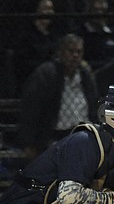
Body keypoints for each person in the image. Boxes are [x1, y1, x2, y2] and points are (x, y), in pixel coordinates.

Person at [18, 33, 99, 161]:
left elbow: (94, 105)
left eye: (79, 52)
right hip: (56, 135)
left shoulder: (85, 75)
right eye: (71, 51)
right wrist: (29, 142)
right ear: (60, 53)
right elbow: (31, 108)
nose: (75, 56)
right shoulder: (47, 74)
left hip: (84, 133)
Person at [10, 0, 61, 94]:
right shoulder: (27, 36)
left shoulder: (54, 36)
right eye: (46, 9)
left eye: (51, 9)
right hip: (33, 80)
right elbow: (23, 64)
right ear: (37, 11)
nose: (50, 12)